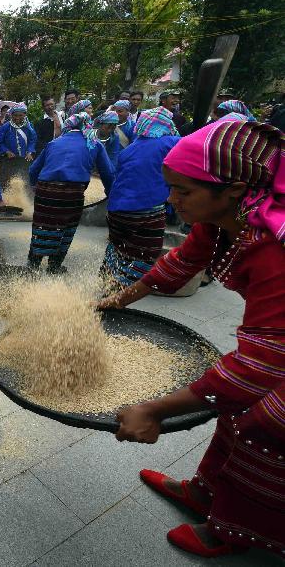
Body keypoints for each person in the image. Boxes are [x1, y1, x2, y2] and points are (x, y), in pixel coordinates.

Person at [97, 120, 283, 558]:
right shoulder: (221, 218)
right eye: (170, 188)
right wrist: (122, 299)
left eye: (183, 192)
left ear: (234, 188)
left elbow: (259, 365)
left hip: (277, 352)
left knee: (265, 424)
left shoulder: (272, 248)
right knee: (234, 407)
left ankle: (235, 531)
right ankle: (204, 493)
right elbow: (183, 261)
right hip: (274, 345)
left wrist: (153, 409)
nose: (171, 201)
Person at [102, 107, 181, 288]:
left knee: (118, 246)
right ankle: (120, 289)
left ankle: (107, 279)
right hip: (146, 210)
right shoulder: (171, 142)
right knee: (145, 253)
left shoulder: (130, 149)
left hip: (116, 210)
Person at [26, 112, 114, 273]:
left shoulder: (54, 143)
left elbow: (33, 170)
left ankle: (33, 266)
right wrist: (110, 194)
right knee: (65, 228)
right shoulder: (94, 144)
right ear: (88, 126)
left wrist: (34, 186)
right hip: (72, 194)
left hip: (45, 191)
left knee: (42, 226)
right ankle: (54, 266)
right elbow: (108, 174)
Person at [0, 103, 37, 188]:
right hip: (8, 160)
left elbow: (33, 140)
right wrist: (6, 151)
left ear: (25, 115)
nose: (17, 118)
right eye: (15, 115)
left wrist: (30, 151)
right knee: (7, 181)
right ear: (11, 115)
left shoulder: (29, 126)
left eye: (20, 115)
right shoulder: (6, 127)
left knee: (23, 181)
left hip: (24, 159)